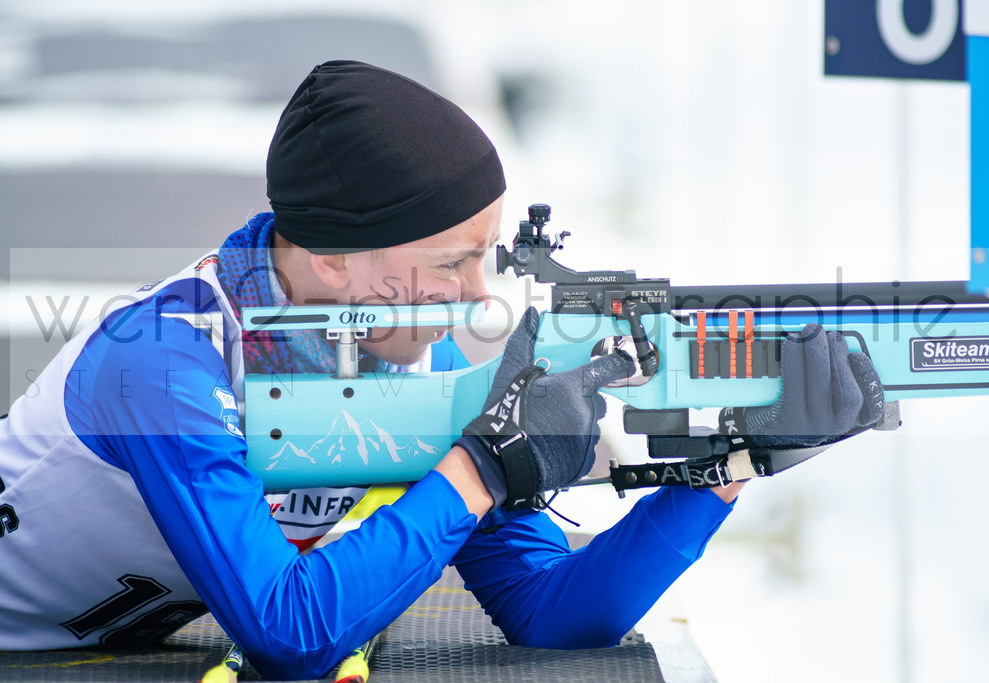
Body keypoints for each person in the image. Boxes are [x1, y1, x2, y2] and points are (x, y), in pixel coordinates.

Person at [0, 61, 883, 680]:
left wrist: (725, 468)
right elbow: (289, 634)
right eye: (452, 263)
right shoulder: (165, 360)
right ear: (337, 262)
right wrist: (482, 467)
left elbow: (551, 614)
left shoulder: (423, 359)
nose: (475, 298)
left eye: (488, 258)